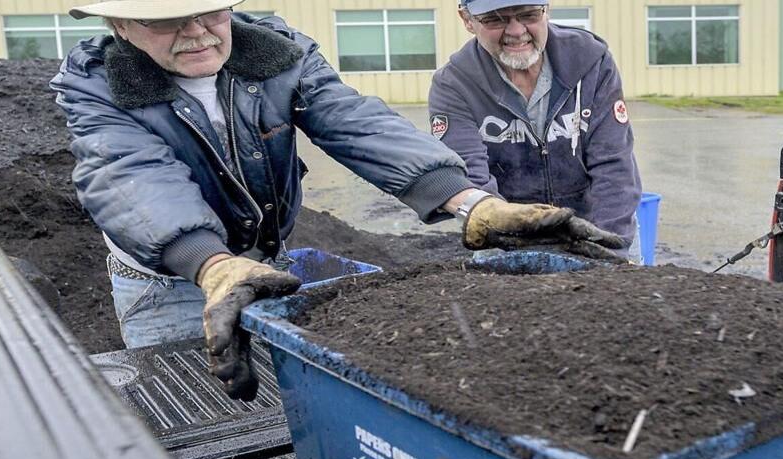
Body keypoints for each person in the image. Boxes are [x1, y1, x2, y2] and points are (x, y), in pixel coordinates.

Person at [51, 0, 626, 401]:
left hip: (261, 264)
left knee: (277, 410)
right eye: (169, 21)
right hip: (170, 277)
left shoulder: (276, 54)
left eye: (210, 12)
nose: (198, 31)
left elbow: (353, 123)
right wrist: (211, 263)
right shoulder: (98, 84)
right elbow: (131, 176)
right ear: (122, 25)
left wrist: (471, 202)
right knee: (191, 410)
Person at [429, 0, 643, 260]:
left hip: (596, 226)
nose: (517, 31)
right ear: (467, 20)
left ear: (546, 10)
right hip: (507, 238)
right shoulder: (454, 84)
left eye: (528, 15)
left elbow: (613, 164)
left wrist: (610, 247)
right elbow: (471, 177)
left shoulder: (590, 61)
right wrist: (510, 245)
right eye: (495, 19)